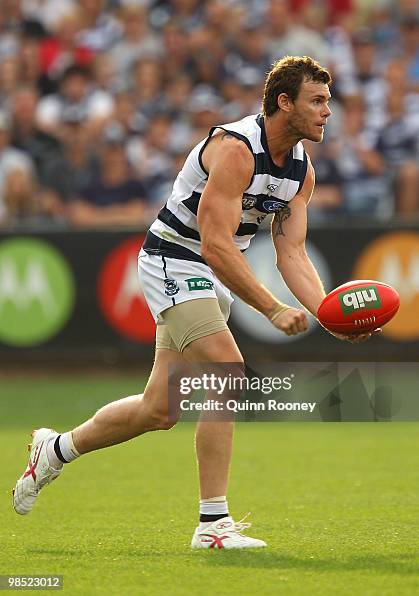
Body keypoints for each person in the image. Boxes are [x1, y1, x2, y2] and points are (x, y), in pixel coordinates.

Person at [13, 56, 377, 548]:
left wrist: (327, 313)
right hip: (174, 260)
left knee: (158, 410)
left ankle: (55, 449)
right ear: (283, 103)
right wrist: (271, 308)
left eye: (328, 102)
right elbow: (214, 245)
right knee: (227, 371)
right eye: (317, 101)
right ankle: (212, 526)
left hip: (207, 273)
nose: (327, 111)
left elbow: (291, 252)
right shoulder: (236, 149)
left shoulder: (301, 172)